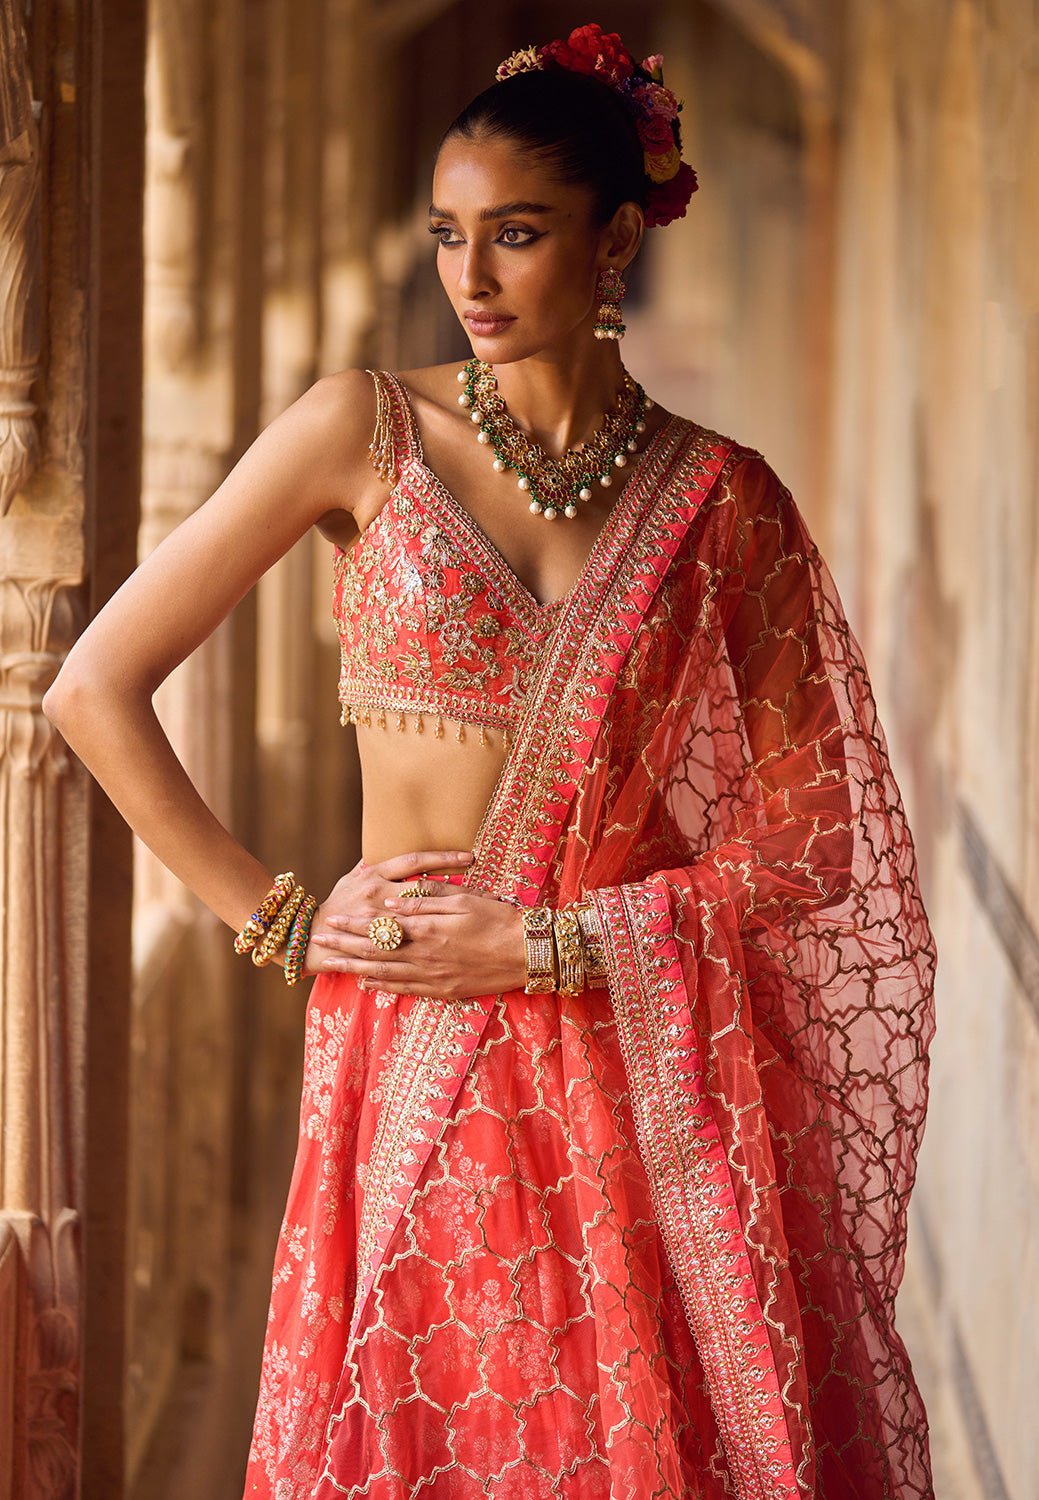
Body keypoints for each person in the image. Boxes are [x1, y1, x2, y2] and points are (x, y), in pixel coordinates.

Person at [45, 22, 936, 1500]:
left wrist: (555, 942)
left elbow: (815, 839)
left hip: (631, 1070)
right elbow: (93, 686)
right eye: (449, 235)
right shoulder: (363, 431)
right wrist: (269, 915)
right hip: (404, 1051)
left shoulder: (723, 502)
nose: (469, 278)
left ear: (617, 243)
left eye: (514, 236)